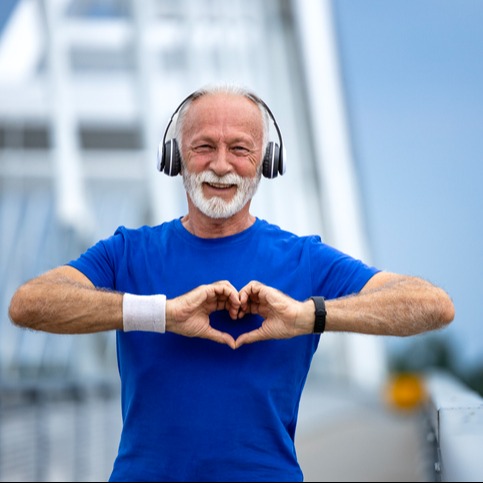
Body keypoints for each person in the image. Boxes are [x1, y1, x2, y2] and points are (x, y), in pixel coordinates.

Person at [8, 83, 455, 482]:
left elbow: (431, 305)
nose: (221, 165)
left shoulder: (303, 259)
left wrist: (308, 316)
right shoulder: (129, 251)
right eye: (204, 146)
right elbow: (30, 304)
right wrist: (162, 313)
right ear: (175, 155)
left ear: (266, 161)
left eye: (240, 149)